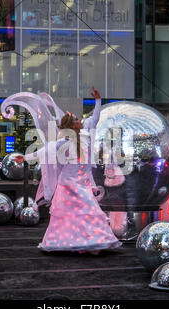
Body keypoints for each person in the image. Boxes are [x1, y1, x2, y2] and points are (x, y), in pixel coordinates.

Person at [15, 87, 121, 255]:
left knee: (88, 212)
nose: (81, 120)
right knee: (73, 215)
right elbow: (45, 151)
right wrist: (25, 158)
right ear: (73, 125)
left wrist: (98, 101)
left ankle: (91, 242)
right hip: (68, 186)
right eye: (78, 119)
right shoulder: (64, 141)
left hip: (83, 184)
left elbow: (95, 118)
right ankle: (70, 242)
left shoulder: (86, 136)